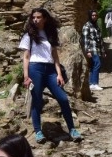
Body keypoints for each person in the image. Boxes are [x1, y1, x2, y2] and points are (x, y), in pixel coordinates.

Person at [19, 8, 81, 144]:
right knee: (37, 100)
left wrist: (59, 74)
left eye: (38, 17)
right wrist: (26, 76)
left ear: (45, 18)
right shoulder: (29, 35)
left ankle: (72, 129)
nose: (35, 19)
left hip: (51, 70)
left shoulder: (51, 33)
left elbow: (55, 56)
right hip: (35, 68)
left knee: (63, 98)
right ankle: (38, 132)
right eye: (33, 17)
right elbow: (26, 57)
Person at [81, 10, 103, 91]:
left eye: (95, 15)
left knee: (94, 65)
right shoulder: (87, 26)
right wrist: (88, 51)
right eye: (93, 15)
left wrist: (103, 51)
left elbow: (99, 39)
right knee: (97, 63)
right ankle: (94, 83)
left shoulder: (96, 26)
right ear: (90, 16)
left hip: (97, 48)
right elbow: (85, 39)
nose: (94, 17)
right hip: (92, 49)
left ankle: (92, 83)